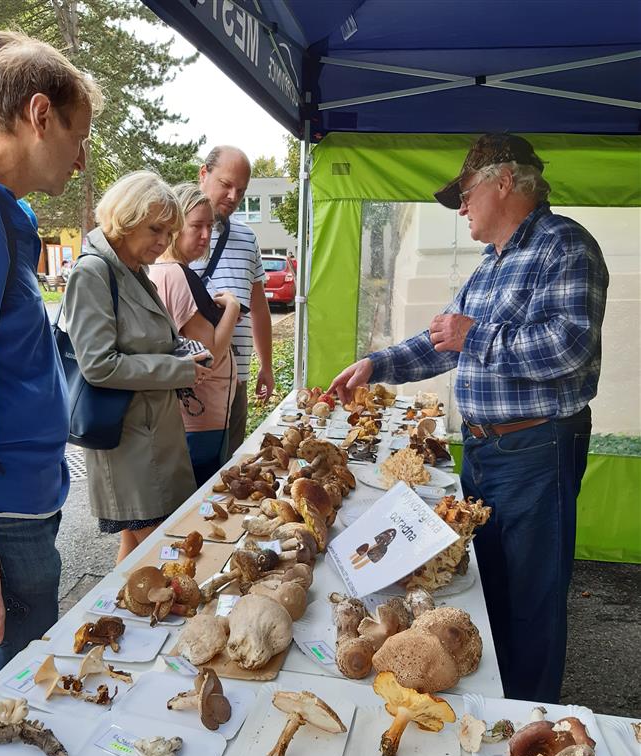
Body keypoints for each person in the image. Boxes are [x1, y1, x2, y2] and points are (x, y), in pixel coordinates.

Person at [330, 133, 608, 704]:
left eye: (465, 192)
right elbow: (442, 343)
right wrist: (376, 362)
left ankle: (531, 719)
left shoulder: (565, 247)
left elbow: (569, 346)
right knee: (493, 586)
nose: (460, 207)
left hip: (536, 449)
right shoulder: (491, 264)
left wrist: (474, 336)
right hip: (485, 450)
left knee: (533, 599)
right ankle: (498, 698)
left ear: (505, 182)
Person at [0, 35, 102, 692]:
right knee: (6, 713)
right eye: (77, 136)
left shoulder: (4, 214)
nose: (81, 162)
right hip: (0, 522)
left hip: (21, 509)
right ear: (38, 115)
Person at [64, 171, 206, 564]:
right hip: (130, 443)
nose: (164, 242)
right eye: (156, 229)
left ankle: (117, 611)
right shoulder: (94, 272)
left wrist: (183, 352)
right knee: (165, 552)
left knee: (136, 549)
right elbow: (99, 365)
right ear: (125, 218)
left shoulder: (133, 270)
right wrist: (178, 369)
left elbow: (147, 338)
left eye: (169, 232)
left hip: (151, 434)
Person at [149, 184, 240, 485]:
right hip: (202, 418)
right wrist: (233, 307)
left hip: (181, 415)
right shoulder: (177, 274)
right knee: (197, 506)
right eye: (196, 226)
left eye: (209, 227)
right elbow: (210, 354)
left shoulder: (155, 271)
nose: (205, 236)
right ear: (175, 226)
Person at [192, 146, 274, 457]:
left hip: (236, 377)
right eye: (226, 184)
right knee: (194, 476)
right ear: (204, 174)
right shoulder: (174, 231)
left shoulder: (247, 238)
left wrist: (266, 365)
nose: (233, 195)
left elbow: (259, 307)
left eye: (241, 190)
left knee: (231, 472)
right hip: (193, 380)